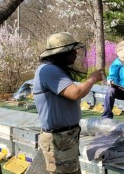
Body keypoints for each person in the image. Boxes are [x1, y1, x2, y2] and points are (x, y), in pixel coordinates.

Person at [33, 32, 103, 174]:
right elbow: (75, 93)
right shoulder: (49, 70)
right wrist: (92, 78)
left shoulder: (54, 70)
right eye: (72, 51)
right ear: (61, 53)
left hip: (65, 137)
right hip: (59, 139)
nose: (76, 54)